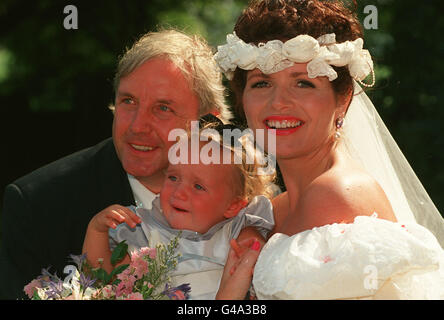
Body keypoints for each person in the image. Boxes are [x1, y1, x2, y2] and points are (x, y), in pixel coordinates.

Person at [214, 0, 444, 299]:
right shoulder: (275, 208)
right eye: (261, 84)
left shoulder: (336, 195)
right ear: (241, 98)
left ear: (343, 100)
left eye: (303, 84)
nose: (279, 102)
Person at [0, 29, 232, 299]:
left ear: (208, 124)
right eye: (128, 101)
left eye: (163, 108)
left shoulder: (248, 200)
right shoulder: (37, 205)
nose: (137, 126)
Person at [83, 126, 275, 299]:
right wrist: (96, 231)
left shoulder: (235, 232)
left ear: (232, 206)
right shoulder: (144, 230)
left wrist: (250, 235)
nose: (179, 192)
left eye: (198, 186)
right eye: (174, 177)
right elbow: (103, 280)